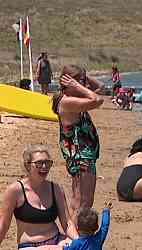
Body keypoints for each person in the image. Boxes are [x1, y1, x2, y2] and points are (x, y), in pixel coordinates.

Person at [51, 65, 104, 227]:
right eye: (80, 80)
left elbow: (100, 87)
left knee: (78, 200)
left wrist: (83, 79)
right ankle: (74, 237)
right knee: (84, 202)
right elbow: (97, 100)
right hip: (81, 157)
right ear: (70, 82)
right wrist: (77, 85)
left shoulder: (72, 98)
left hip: (80, 156)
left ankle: (73, 236)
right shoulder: (67, 102)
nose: (84, 84)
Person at [0, 144, 77, 249]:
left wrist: (78, 241)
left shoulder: (56, 188)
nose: (44, 167)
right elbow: (3, 225)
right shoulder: (15, 191)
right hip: (30, 246)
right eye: (39, 163)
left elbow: (67, 223)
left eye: (47, 163)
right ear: (27, 165)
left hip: (57, 241)